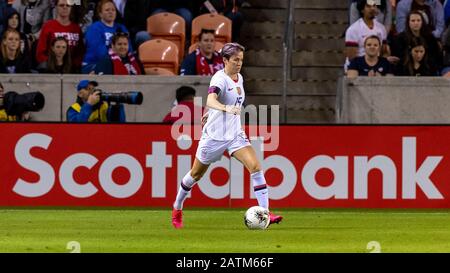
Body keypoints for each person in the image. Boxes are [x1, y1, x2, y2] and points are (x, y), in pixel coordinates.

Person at [171, 42, 283, 229]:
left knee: (255, 167)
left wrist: (209, 112)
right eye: (235, 60)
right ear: (225, 60)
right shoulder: (219, 79)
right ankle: (177, 207)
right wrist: (223, 108)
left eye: (241, 60)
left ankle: (265, 213)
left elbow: (219, 101)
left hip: (235, 134)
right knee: (195, 175)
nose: (239, 63)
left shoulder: (238, 78)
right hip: (214, 137)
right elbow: (211, 98)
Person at [82, 0, 131, 74]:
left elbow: (129, 48)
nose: (111, 12)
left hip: (117, 62)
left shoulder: (121, 28)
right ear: (100, 14)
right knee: (107, 64)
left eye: (113, 10)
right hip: (93, 64)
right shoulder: (94, 28)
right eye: (107, 10)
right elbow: (99, 53)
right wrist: (118, 57)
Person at [36, 0, 85, 71]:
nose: (65, 7)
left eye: (68, 5)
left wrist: (72, 65)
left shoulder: (76, 28)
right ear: (56, 7)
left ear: (71, 8)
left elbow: (80, 53)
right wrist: (52, 64)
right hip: (51, 69)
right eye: (61, 5)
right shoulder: (48, 26)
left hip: (72, 69)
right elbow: (40, 53)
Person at [345, 0, 390, 72]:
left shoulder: (382, 28)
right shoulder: (353, 29)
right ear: (362, 10)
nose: (372, 8)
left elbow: (383, 52)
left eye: (374, 6)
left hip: (377, 67)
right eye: (368, 6)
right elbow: (352, 57)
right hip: (357, 67)